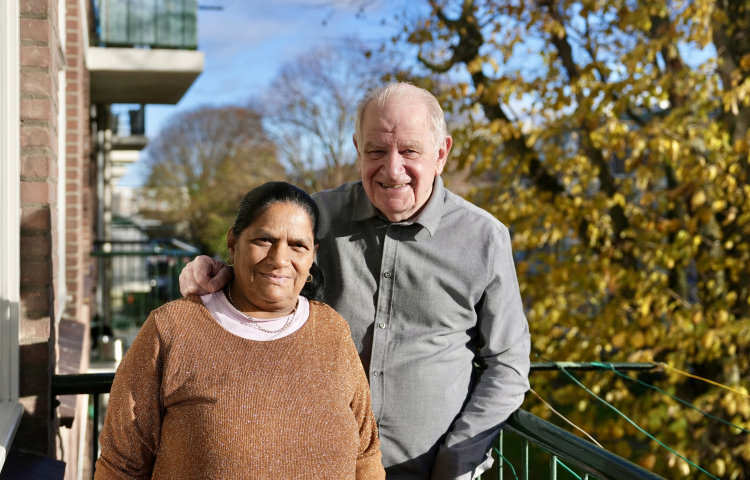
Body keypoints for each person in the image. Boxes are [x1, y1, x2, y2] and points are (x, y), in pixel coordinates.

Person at [180, 83, 530, 480]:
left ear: (441, 153)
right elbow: (261, 265)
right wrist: (215, 270)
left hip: (432, 472)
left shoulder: (485, 238)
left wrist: (458, 458)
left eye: (410, 151)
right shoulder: (316, 217)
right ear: (358, 149)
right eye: (376, 151)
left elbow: (508, 365)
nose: (392, 169)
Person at [96, 182, 385, 480]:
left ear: (313, 255)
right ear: (233, 243)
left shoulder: (331, 330)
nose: (280, 259)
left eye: (298, 245)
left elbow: (366, 454)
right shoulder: (172, 330)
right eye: (264, 239)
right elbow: (121, 467)